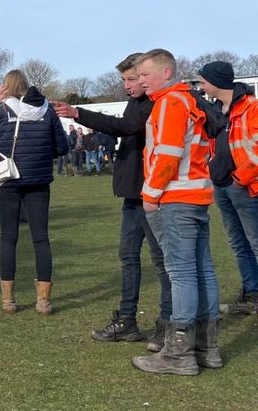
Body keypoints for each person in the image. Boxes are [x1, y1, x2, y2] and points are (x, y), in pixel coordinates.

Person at [54, 53, 171, 348]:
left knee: (161, 261)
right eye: (125, 80)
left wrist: (79, 114)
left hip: (152, 193)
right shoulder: (137, 102)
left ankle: (168, 323)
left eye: (133, 79)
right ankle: (127, 320)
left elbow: (126, 127)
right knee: (128, 255)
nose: (128, 85)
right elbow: (126, 126)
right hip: (133, 193)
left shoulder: (157, 102)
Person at [132, 49, 220, 376]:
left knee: (181, 272)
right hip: (196, 195)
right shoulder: (189, 100)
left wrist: (151, 194)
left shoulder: (169, 103)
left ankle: (178, 354)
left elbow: (167, 154)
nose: (141, 80)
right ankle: (206, 348)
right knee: (202, 269)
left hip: (176, 196)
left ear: (166, 73)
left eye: (145, 74)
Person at [0, 70, 68, 315]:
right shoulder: (46, 109)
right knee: (41, 239)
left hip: (9, 179)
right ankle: (43, 301)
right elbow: (62, 146)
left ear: (7, 87)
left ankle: (8, 299)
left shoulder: (2, 110)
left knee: (9, 238)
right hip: (38, 180)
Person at [198, 61, 258, 316]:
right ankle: (251, 293)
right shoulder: (215, 110)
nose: (201, 86)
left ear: (215, 81)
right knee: (238, 242)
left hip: (243, 186)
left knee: (255, 241)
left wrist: (240, 178)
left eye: (203, 81)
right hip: (222, 185)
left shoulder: (251, 108)